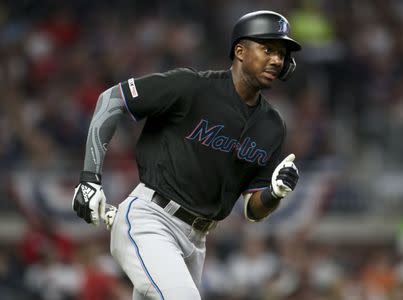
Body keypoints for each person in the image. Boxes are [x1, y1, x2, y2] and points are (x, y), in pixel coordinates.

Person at [72, 10, 301, 300]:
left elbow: (252, 210)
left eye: (282, 54)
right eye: (268, 49)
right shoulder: (192, 87)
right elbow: (113, 99)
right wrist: (90, 178)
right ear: (240, 51)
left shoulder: (272, 126)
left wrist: (274, 192)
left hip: (197, 242)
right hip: (151, 220)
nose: (277, 60)